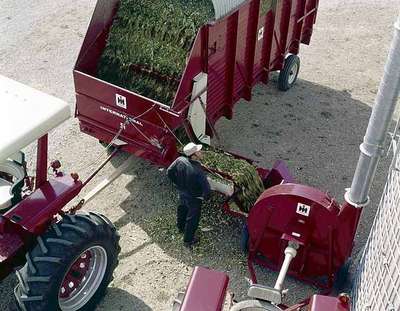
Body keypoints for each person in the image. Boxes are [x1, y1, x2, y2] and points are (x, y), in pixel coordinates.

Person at [167, 142, 211, 248]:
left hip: (182, 192)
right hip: (194, 197)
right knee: (192, 219)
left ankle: (181, 227)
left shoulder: (180, 160)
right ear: (194, 155)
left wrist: (177, 183)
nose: (201, 152)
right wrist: (204, 197)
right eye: (199, 151)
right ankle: (188, 240)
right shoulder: (198, 170)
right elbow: (207, 189)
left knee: (182, 209)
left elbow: (169, 171)